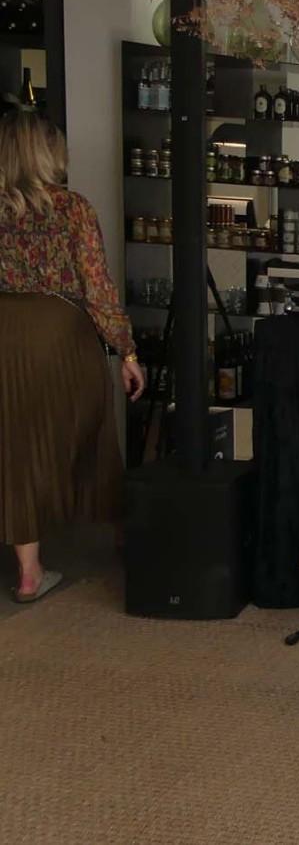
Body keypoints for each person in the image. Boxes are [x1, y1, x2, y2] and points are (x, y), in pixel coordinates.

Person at [0, 105, 146, 603]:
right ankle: (124, 538)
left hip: (4, 332)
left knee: (15, 449)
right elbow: (98, 288)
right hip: (60, 333)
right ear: (47, 152)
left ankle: (28, 572)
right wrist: (126, 349)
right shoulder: (72, 209)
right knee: (90, 432)